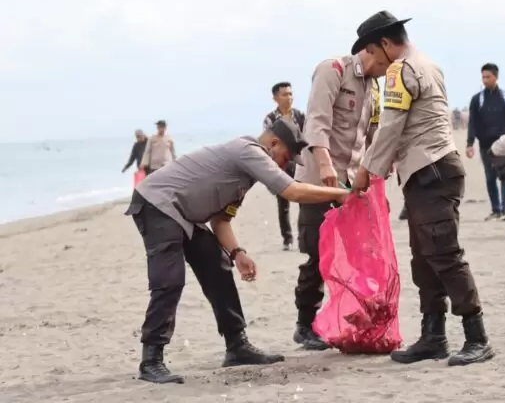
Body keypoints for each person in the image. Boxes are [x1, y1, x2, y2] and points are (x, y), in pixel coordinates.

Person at [125, 118, 350, 384]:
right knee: (170, 280)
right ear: (273, 143)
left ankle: (237, 347)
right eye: (285, 158)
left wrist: (237, 253)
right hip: (157, 204)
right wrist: (338, 193)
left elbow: (220, 220)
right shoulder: (249, 151)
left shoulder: (247, 176)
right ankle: (151, 360)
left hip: (185, 214)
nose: (284, 165)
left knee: (218, 266)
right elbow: (292, 191)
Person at [352, 11, 494, 367]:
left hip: (430, 170)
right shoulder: (427, 62)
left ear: (385, 44)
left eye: (372, 52)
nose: (372, 61)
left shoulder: (401, 70)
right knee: (424, 258)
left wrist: (367, 170)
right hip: (431, 171)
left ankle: (477, 337)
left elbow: (391, 127)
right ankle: (434, 336)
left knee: (444, 255)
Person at [292, 46, 387, 351]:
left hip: (351, 185)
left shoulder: (374, 86)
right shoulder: (333, 70)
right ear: (375, 48)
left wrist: (375, 180)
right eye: (391, 57)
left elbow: (372, 134)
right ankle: (305, 325)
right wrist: (324, 165)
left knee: (358, 254)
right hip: (318, 183)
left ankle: (349, 319)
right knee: (317, 254)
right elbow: (316, 123)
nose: (393, 65)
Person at [465, 63, 505, 221]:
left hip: (504, 144)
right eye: (483, 77)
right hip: (485, 145)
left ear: (496, 77)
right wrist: (469, 144)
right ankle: (496, 209)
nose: (485, 80)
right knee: (490, 177)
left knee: (504, 176)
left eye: (488, 76)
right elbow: (473, 123)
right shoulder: (477, 99)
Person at [263, 82, 306, 251]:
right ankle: (287, 239)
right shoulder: (270, 119)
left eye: (290, 94)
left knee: (305, 200)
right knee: (283, 204)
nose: (288, 98)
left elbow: (307, 139)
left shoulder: (300, 116)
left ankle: (304, 237)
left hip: (300, 163)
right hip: (280, 164)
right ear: (275, 98)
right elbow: (268, 144)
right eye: (284, 95)